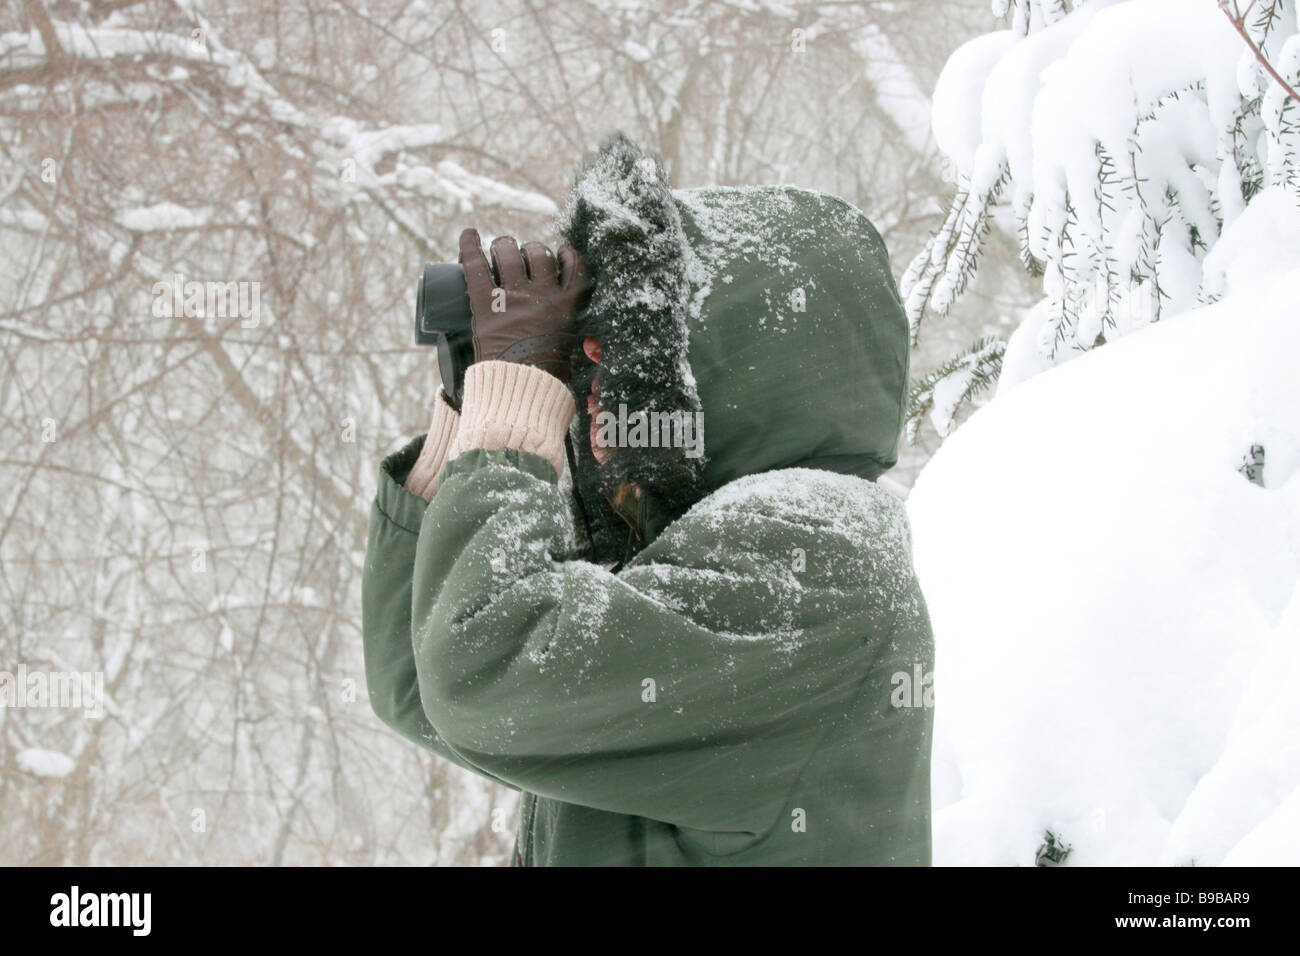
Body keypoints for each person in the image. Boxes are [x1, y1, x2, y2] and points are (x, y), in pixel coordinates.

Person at [362, 134, 934, 865]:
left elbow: (479, 679)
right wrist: (474, 405)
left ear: (732, 368)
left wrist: (512, 419)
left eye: (626, 355)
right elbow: (421, 686)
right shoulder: (695, 551)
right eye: (586, 355)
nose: (596, 385)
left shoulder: (821, 556)